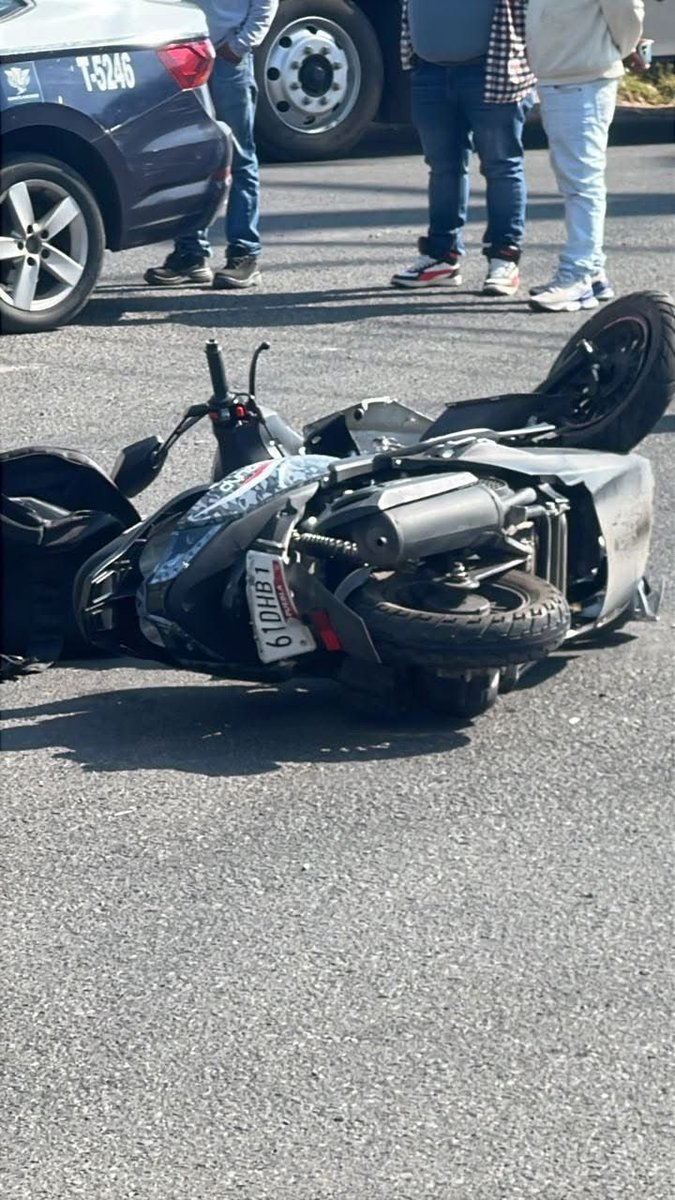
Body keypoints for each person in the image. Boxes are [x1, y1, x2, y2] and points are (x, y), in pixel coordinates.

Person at [391, 0, 535, 297]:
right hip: (429, 69)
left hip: (494, 66)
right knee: (443, 167)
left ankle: (503, 257)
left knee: (501, 165)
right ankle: (442, 256)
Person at [145, 0, 278, 291]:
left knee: (239, 156)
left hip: (228, 61)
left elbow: (265, 5)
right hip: (186, 55)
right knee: (189, 155)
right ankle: (191, 253)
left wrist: (238, 47)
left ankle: (244, 253)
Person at [526, 0, 644, 312]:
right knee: (576, 179)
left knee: (581, 182)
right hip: (562, 79)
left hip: (583, 79)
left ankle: (577, 276)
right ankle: (593, 273)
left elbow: (627, 10)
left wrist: (618, 50)